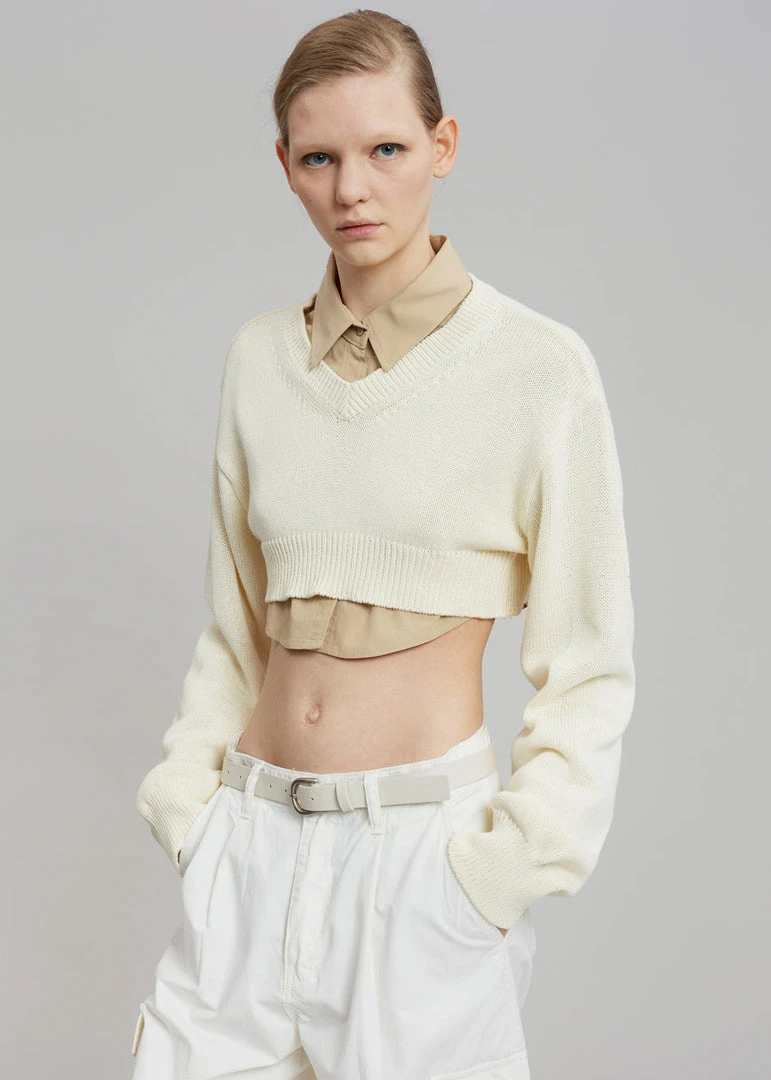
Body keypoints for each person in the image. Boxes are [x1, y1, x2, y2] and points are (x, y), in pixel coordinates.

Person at [130, 10, 636, 1080]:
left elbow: (590, 664)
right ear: (285, 166)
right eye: (320, 158)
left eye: (386, 149)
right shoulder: (258, 361)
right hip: (245, 850)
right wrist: (189, 812)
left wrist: (498, 875)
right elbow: (235, 627)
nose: (352, 189)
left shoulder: (538, 369)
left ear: (443, 146)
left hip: (419, 871)